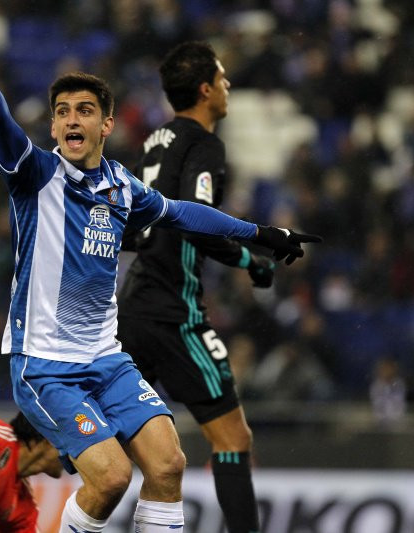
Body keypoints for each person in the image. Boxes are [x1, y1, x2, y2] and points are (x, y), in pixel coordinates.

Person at [0, 12, 320, 533]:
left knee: (169, 464)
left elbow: (184, 213)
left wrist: (263, 234)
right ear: (55, 126)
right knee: (110, 478)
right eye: (63, 113)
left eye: (85, 110)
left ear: (106, 124)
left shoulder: (120, 187)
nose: (72, 120)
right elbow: (2, 128)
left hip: (108, 359)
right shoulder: (36, 175)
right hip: (46, 365)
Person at [117, 41, 314, 533]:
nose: (228, 88)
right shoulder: (205, 144)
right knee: (232, 438)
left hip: (133, 303)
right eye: (224, 80)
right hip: (174, 311)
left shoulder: (156, 139)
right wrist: (254, 253)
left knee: (96, 443)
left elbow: (163, 220)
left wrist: (247, 260)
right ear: (206, 90)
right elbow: (194, 221)